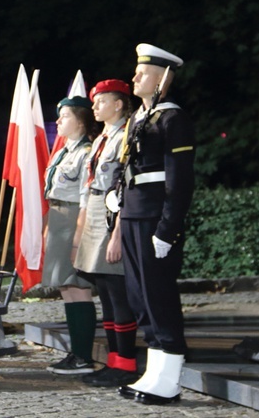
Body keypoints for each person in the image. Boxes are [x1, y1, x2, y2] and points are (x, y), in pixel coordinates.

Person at [116, 44, 195, 405]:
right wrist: (116, 198)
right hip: (132, 214)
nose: (135, 77)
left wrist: (168, 228)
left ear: (162, 77)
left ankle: (171, 378)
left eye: (142, 73)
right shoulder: (138, 118)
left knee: (159, 295)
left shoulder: (172, 119)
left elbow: (179, 181)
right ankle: (155, 372)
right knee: (139, 296)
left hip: (153, 219)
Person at [72, 79, 139, 388]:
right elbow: (89, 186)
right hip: (98, 210)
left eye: (101, 101)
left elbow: (128, 186)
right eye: (95, 102)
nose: (95, 106)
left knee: (117, 289)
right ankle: (114, 360)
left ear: (119, 104)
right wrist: (82, 226)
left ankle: (126, 363)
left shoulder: (128, 135)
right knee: (106, 293)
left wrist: (117, 234)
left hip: (115, 215)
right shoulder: (101, 139)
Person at [41, 95, 101, 375]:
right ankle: (76, 352)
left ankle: (83, 356)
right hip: (58, 219)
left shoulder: (86, 152)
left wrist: (78, 235)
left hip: (73, 220)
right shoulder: (64, 150)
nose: (58, 121)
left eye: (64, 116)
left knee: (77, 287)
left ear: (80, 120)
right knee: (66, 288)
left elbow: (85, 195)